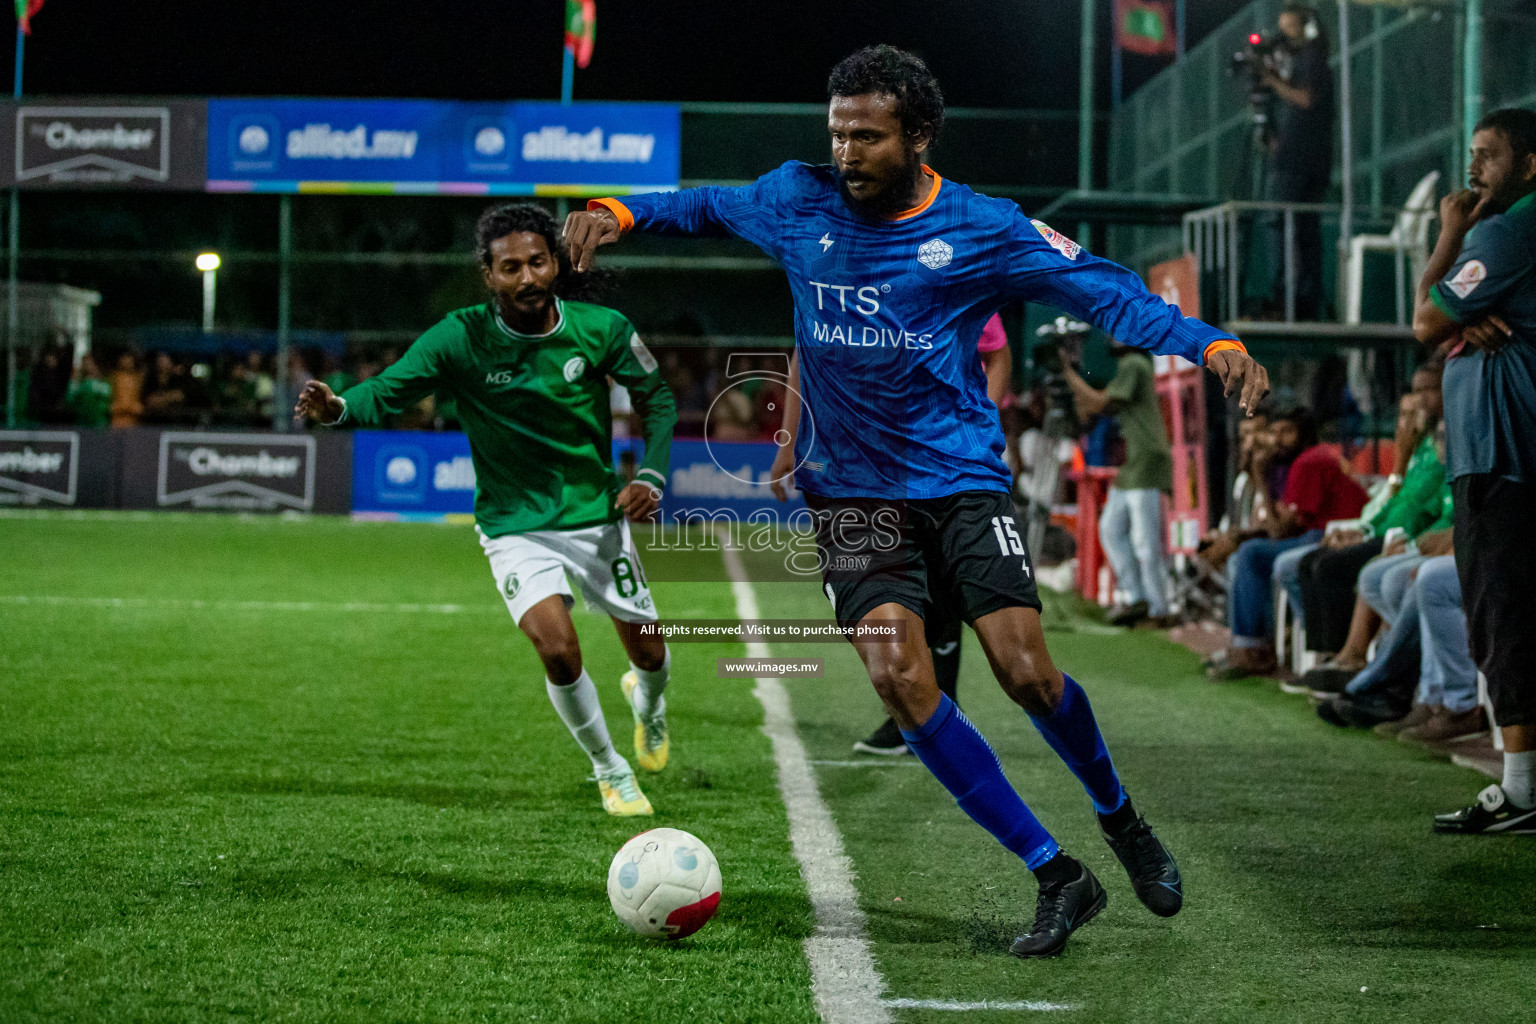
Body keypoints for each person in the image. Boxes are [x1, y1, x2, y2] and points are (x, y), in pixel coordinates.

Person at [566, 45, 1270, 956]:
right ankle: (1057, 873)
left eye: (868, 135)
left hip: (958, 478)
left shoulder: (982, 225)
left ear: (920, 137)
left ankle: (1120, 816)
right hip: (850, 493)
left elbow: (1104, 290)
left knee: (1025, 670)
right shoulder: (797, 197)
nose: (848, 151)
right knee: (901, 679)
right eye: (838, 133)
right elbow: (702, 204)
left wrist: (1209, 344)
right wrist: (617, 209)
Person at [294, 203, 679, 818]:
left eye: (536, 262)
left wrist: (653, 477)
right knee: (557, 649)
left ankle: (650, 705)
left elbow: (657, 399)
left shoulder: (602, 329)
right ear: (488, 275)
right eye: (509, 267)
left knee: (651, 654)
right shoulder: (461, 336)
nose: (525, 276)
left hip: (596, 518)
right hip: (513, 525)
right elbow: (390, 389)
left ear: (555, 263)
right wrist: (339, 407)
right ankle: (611, 770)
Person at [770, 313, 1013, 757]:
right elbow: (804, 357)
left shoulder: (946, 266)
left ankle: (931, 712)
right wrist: (789, 444)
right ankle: (920, 712)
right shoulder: (835, 276)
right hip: (857, 462)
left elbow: (997, 355)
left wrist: (981, 425)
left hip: (940, 460)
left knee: (941, 584)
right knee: (883, 590)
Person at [1411, 106, 1536, 834]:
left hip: (1503, 452)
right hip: (1507, 453)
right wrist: (1463, 309)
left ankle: (1521, 791)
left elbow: (1425, 322)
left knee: (1506, 617)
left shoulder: (1505, 229)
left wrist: (1452, 232)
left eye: (1488, 155)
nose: (1473, 168)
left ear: (1528, 164)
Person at [1207, 407, 1366, 679]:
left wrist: (1258, 477)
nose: (1278, 439)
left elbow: (1280, 531)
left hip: (1338, 535)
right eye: (1274, 431)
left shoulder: (1309, 461)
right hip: (1318, 533)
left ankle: (1254, 648)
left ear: (1305, 436)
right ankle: (1255, 645)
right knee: (1246, 556)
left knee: (1252, 554)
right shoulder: (1292, 463)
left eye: (1287, 432)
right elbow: (1278, 523)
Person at [1064, 338, 1174, 626]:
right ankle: (1136, 597)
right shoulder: (1129, 366)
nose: (1113, 337)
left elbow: (1101, 402)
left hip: (1147, 459)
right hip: (1133, 463)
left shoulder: (1135, 364)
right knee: (1110, 529)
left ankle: (1159, 608)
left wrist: (1069, 375)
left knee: (1145, 541)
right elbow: (1099, 408)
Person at [1259, 3, 1335, 320]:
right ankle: (1301, 300)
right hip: (1300, 159)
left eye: (1289, 30)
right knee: (1302, 229)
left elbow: (1305, 98)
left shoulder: (1313, 57)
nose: (1285, 38)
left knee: (1282, 223)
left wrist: (1273, 81)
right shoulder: (1304, 60)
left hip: (1300, 162)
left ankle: (1288, 298)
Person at [64, 353, 112, 427]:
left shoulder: (103, 383)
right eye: (84, 363)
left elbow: (106, 403)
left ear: (96, 365)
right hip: (81, 424)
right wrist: (73, 381)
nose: (87, 366)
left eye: (90, 363)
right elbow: (69, 401)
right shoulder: (77, 383)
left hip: (99, 424)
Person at [109, 352, 144, 428]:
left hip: (134, 418)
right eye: (124, 358)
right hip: (117, 417)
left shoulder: (139, 378)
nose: (126, 361)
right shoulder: (114, 377)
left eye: (129, 359)